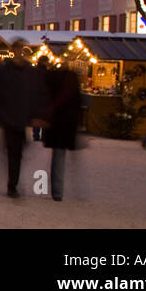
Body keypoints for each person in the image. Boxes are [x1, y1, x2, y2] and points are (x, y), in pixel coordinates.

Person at [0, 40, 46, 197]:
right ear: (13, 51)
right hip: (8, 117)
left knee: (17, 152)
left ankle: (13, 182)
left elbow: (35, 94)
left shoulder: (29, 71)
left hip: (21, 118)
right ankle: (12, 185)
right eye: (17, 49)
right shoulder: (4, 70)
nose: (20, 52)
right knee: (14, 152)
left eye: (21, 49)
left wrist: (37, 115)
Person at [42, 65, 81, 201]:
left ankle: (56, 189)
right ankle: (58, 190)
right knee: (60, 155)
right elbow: (77, 103)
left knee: (58, 155)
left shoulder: (52, 80)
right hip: (67, 124)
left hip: (56, 123)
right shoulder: (72, 81)